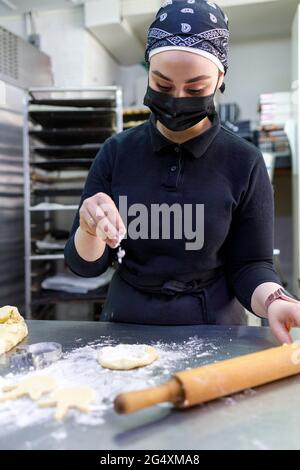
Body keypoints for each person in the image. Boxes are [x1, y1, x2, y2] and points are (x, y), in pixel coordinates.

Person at [65, 0, 300, 344]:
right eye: (161, 85)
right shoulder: (116, 153)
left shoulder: (243, 162)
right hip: (125, 326)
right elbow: (86, 266)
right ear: (147, 71)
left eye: (194, 89)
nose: (176, 99)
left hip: (214, 330)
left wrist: (276, 301)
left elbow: (251, 265)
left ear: (220, 77)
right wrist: (89, 230)